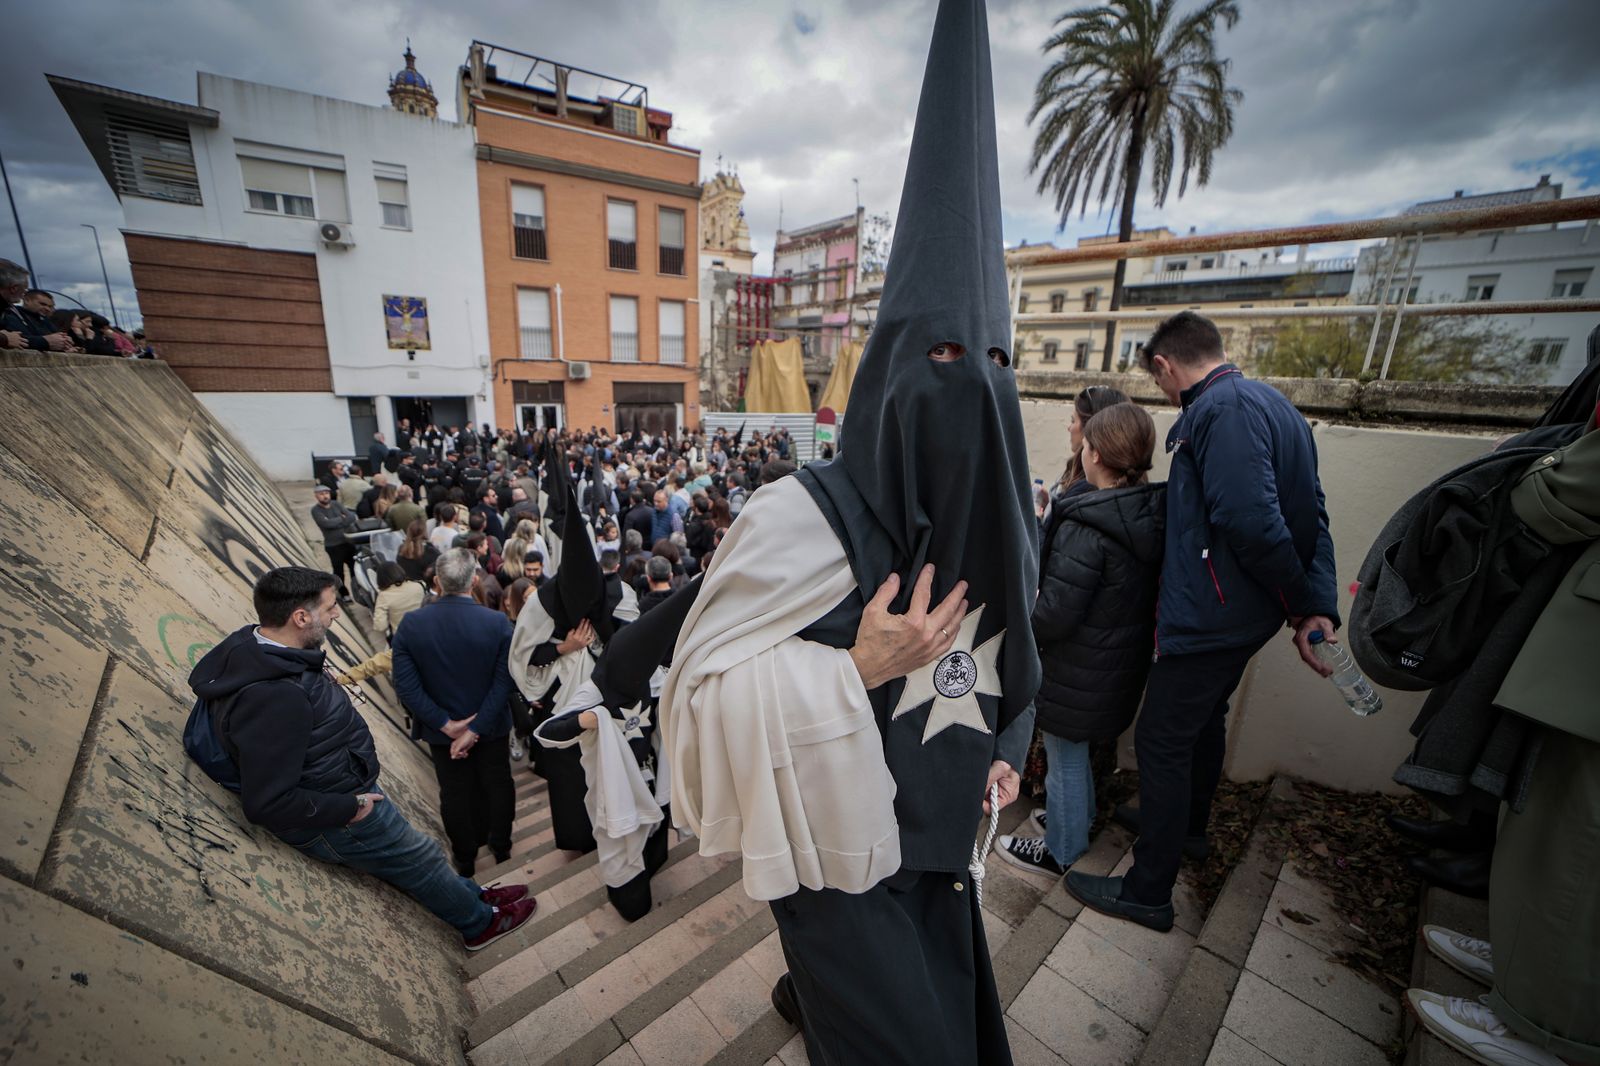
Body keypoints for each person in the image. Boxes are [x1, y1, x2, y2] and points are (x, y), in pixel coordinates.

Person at [661, 2, 1038, 1060]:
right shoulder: (795, 516)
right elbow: (698, 689)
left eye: (996, 368)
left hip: (939, 834)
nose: (973, 396)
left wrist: (1002, 749)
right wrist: (855, 668)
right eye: (946, 362)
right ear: (885, 382)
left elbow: (1003, 642)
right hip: (830, 851)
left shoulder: (992, 508)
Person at [1066, 310, 1339, 932]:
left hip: (1214, 614)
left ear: (1166, 365)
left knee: (1161, 738)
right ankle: (1187, 829)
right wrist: (1312, 599)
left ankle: (1147, 889)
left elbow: (1252, 521)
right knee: (1201, 723)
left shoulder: (1219, 412)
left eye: (1160, 384)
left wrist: (1302, 603)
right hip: (1244, 614)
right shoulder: (1276, 406)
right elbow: (1311, 515)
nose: (1165, 397)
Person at [188, 566, 535, 949]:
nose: (337, 614)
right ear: (301, 617)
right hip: (341, 810)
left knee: (423, 855)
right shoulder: (275, 696)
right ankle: (480, 923)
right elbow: (267, 800)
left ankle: (473, 895)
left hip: (345, 785)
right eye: (331, 607)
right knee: (419, 859)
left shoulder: (263, 650)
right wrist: (350, 807)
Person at [998, 403, 1165, 876]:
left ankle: (1061, 848)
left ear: (1094, 453)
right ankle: (1079, 819)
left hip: (1077, 670)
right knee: (1075, 755)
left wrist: (1025, 596)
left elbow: (1052, 616)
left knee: (1064, 755)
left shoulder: (1088, 523)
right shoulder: (1145, 512)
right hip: (1114, 666)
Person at [392, 549, 518, 876]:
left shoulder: (412, 624)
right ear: (474, 580)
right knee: (497, 783)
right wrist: (475, 729)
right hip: (490, 727)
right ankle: (500, 844)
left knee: (455, 791)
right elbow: (504, 681)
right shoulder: (496, 622)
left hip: (441, 733)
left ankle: (465, 856)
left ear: (436, 581)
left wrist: (446, 724)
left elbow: (406, 686)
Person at [309, 484, 358, 600]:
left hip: (348, 542)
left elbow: (351, 517)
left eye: (326, 493)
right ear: (316, 496)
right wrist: (342, 518)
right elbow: (326, 524)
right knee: (338, 571)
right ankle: (344, 593)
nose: (325, 496)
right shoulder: (315, 510)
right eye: (321, 494)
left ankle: (358, 591)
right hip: (334, 546)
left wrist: (336, 521)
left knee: (354, 569)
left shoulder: (336, 504)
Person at [371, 560, 425, 643]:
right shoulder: (420, 585)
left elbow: (380, 626)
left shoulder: (384, 596)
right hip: (425, 632)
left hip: (404, 640)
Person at [396, 517, 441, 584]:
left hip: (407, 585)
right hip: (424, 588)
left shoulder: (401, 549)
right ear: (424, 532)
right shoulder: (430, 551)